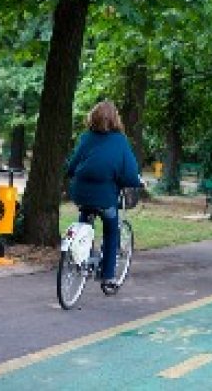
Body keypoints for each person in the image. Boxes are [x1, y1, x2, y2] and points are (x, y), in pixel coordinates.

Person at [66, 100, 142, 289]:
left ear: (93, 117)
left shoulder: (86, 138)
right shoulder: (120, 141)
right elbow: (130, 171)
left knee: (85, 219)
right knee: (111, 230)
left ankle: (81, 256)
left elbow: (73, 164)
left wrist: (70, 172)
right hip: (106, 197)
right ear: (115, 119)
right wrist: (136, 181)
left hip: (81, 193)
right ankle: (108, 277)